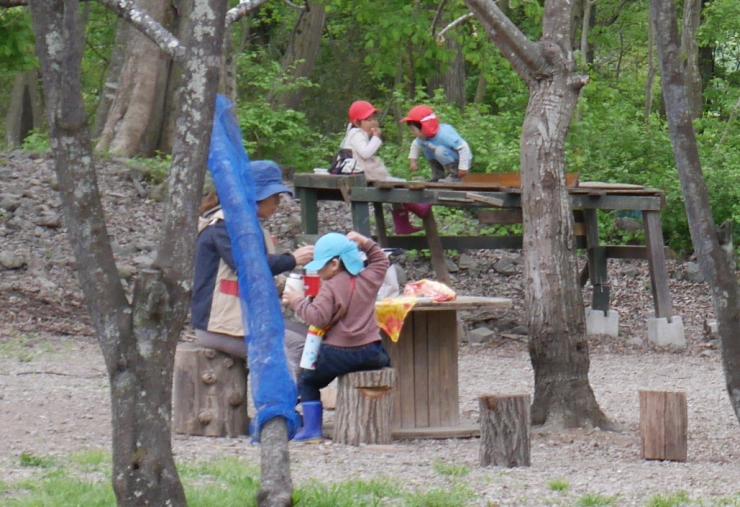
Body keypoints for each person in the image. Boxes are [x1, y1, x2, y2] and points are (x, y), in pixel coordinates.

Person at [191, 160, 314, 377]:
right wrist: (292, 259)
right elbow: (250, 268)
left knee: (308, 336)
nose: (277, 203)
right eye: (274, 197)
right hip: (218, 327)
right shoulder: (225, 226)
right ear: (256, 196)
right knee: (295, 348)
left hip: (240, 321)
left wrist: (285, 287)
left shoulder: (244, 224)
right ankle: (281, 408)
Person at [282, 231, 391, 441]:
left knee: (308, 381)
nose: (319, 272)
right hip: (370, 351)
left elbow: (318, 318)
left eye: (321, 266)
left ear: (334, 264)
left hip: (337, 352)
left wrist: (297, 301)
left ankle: (312, 430)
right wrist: (365, 242)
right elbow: (380, 260)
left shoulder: (330, 287)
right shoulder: (369, 277)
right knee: (386, 360)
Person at [342, 100, 431, 234]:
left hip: (363, 173)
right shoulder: (356, 134)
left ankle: (403, 223)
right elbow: (366, 153)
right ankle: (416, 210)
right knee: (399, 185)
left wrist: (373, 138)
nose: (373, 122)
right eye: (367, 120)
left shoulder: (359, 134)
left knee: (397, 184)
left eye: (373, 119)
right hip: (360, 174)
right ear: (357, 122)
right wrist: (376, 138)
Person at [401, 105, 473, 182]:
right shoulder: (422, 138)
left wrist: (463, 167)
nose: (412, 132)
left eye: (413, 130)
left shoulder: (444, 135)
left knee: (439, 151)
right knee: (429, 151)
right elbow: (415, 145)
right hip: (446, 157)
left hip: (461, 160)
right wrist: (413, 161)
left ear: (424, 127)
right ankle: (438, 176)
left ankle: (455, 176)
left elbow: (463, 147)